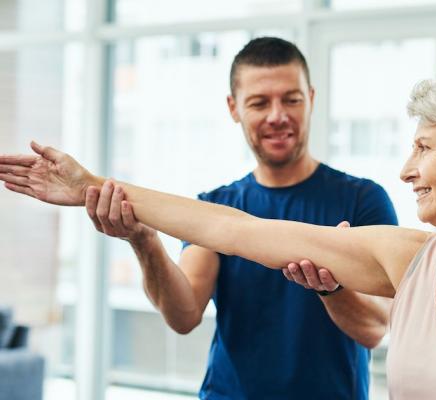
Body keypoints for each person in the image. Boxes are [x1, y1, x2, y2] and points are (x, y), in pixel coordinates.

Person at [0, 70, 436, 399]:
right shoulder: (406, 258)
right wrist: (90, 186)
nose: (406, 169)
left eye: (424, 147)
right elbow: (233, 228)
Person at [16, 37, 399, 399]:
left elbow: (375, 328)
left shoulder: (362, 200)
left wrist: (330, 289)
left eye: (292, 99)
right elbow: (184, 316)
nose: (278, 116)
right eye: (259, 103)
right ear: (233, 108)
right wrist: (144, 241)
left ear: (311, 99)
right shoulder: (216, 206)